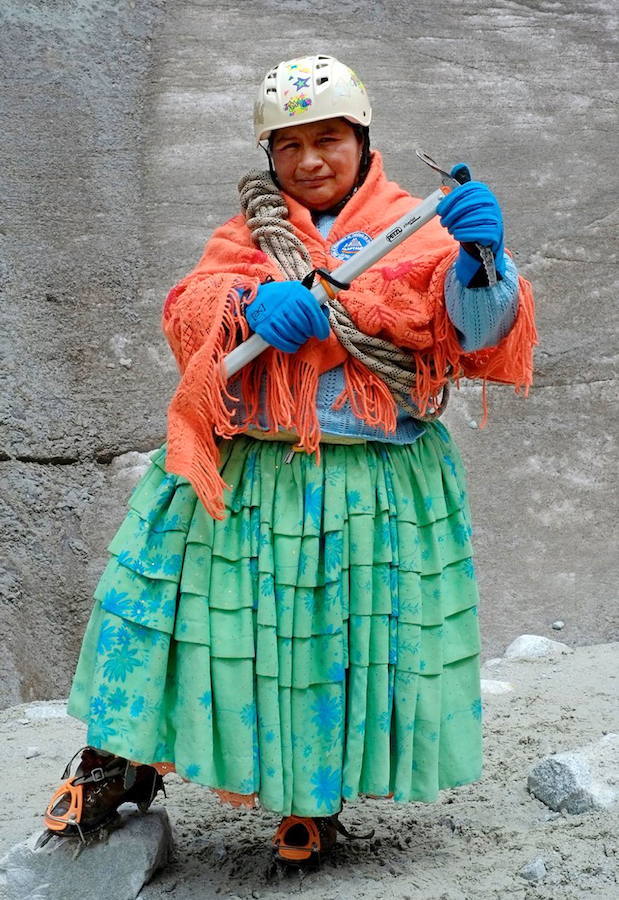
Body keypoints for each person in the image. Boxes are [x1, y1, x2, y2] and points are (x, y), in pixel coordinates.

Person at [41, 55, 536, 863]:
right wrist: (243, 306)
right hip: (241, 468)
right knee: (167, 619)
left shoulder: (424, 226)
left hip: (369, 477)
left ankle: (311, 802)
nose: (309, 160)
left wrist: (484, 263)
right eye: (289, 144)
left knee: (329, 643)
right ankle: (115, 767)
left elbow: (475, 339)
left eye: (329, 138)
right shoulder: (247, 236)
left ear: (363, 141)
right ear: (269, 155)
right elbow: (188, 311)